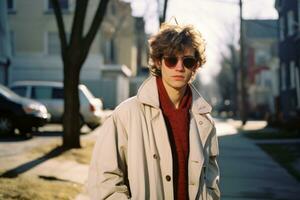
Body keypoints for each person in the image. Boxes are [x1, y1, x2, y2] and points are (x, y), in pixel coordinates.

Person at [88, 22, 220, 200]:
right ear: (159, 62)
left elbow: (211, 181)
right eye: (171, 60)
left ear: (195, 66)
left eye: (187, 61)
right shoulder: (126, 114)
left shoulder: (205, 122)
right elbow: (104, 181)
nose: (179, 67)